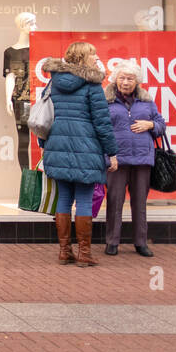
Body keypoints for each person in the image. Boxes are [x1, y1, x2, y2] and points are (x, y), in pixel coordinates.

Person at [39, 42, 119, 266]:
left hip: (57, 145)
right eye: (93, 54)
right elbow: (102, 123)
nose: (96, 58)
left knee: (63, 198)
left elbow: (44, 117)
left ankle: (65, 251)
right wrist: (111, 152)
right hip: (86, 148)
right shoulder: (92, 84)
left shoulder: (53, 81)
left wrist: (44, 144)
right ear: (83, 58)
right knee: (84, 199)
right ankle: (84, 254)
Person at [104, 59, 166, 257]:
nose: (125, 82)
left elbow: (160, 123)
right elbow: (101, 129)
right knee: (114, 202)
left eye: (130, 78)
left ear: (137, 81)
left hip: (142, 159)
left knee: (139, 203)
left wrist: (150, 126)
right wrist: (107, 156)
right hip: (117, 159)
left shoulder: (147, 101)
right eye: (122, 78)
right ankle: (112, 242)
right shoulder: (106, 100)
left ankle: (140, 243)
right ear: (115, 80)